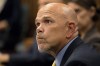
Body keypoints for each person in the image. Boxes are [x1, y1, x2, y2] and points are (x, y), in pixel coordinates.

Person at [35, 3, 100, 66]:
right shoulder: (74, 54)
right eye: (38, 24)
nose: (38, 29)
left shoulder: (77, 63)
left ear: (70, 29)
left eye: (48, 21)